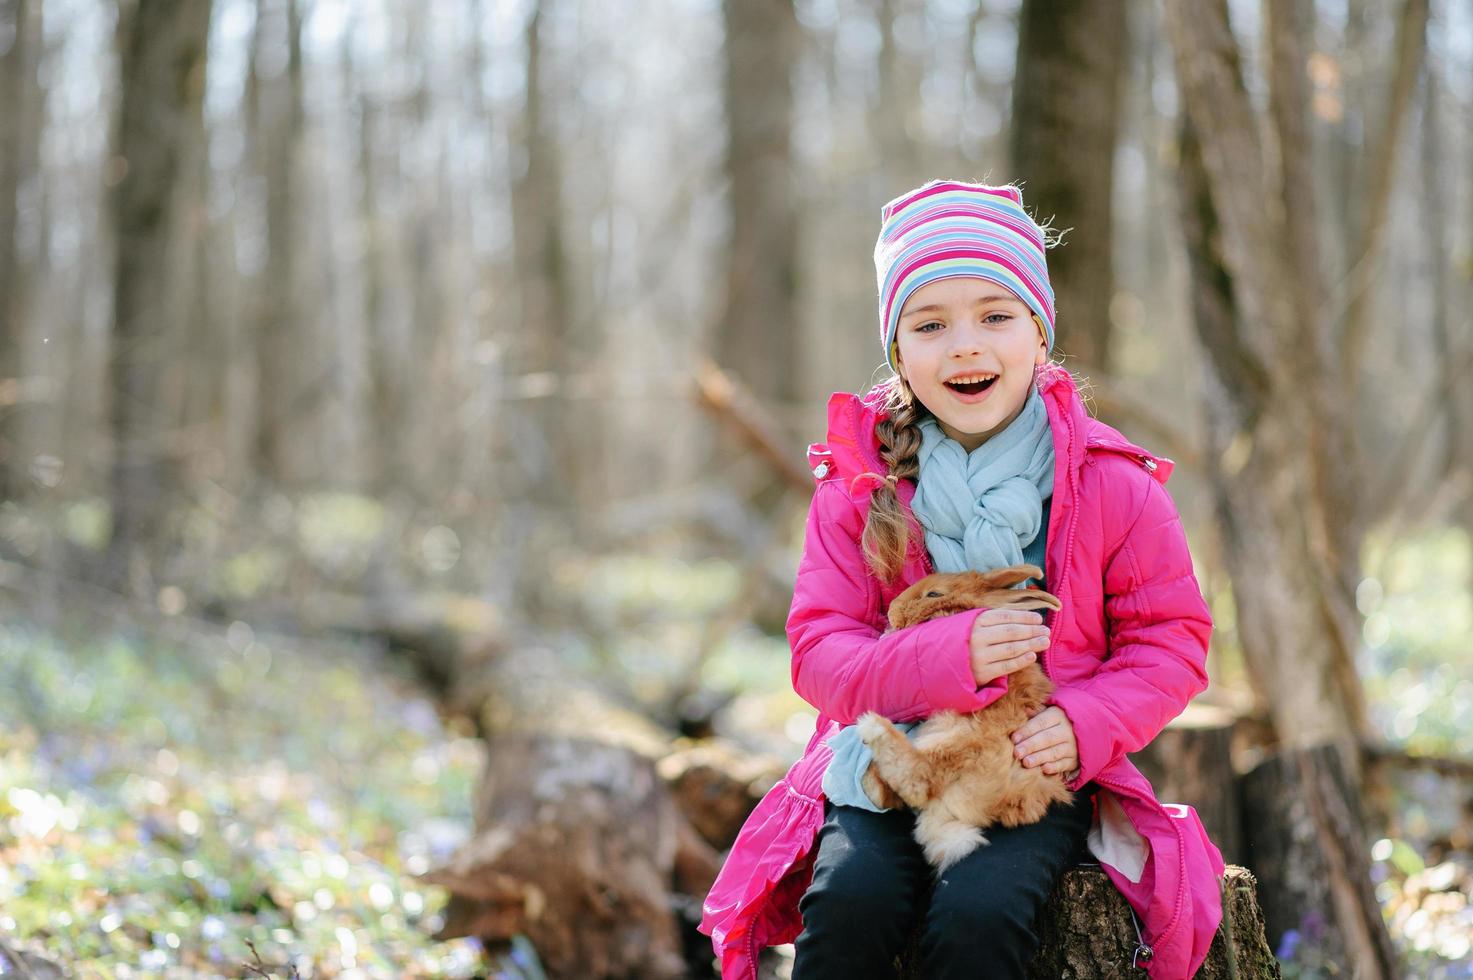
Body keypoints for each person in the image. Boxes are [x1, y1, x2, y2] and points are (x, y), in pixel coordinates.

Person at [698, 179, 1226, 980]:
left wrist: (1083, 722)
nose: (964, 345)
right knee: (851, 902)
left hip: (1024, 768)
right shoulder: (862, 487)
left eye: (994, 316)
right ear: (899, 353)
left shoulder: (1112, 485)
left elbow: (1171, 640)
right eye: (930, 324)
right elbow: (818, 652)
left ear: (1040, 336)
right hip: (884, 756)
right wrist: (951, 656)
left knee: (979, 918)